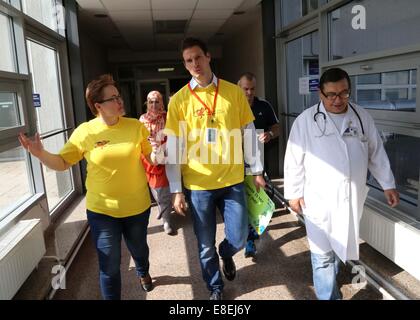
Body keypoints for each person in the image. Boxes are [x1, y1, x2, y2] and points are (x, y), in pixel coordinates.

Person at [19, 74, 158, 300]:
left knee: (139, 250)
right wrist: (40, 153)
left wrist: (160, 151)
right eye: (113, 98)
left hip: (137, 207)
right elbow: (63, 162)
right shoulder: (85, 132)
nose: (119, 100)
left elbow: (150, 157)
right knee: (109, 265)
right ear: (98, 106)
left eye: (118, 95)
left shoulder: (135, 127)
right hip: (102, 211)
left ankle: (143, 272)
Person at [284, 68, 400, 300]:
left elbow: (375, 152)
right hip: (317, 201)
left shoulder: (361, 117)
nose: (338, 100)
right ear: (321, 94)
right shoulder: (306, 121)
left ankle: (331, 279)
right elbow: (294, 158)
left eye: (344, 94)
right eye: (332, 95)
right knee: (322, 256)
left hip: (349, 199)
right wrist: (293, 193)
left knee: (338, 250)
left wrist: (387, 183)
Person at [164, 37, 266, 300]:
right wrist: (176, 190)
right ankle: (215, 288)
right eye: (188, 60)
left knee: (240, 236)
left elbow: (248, 132)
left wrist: (257, 170)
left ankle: (227, 252)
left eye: (198, 57)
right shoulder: (179, 101)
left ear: (208, 57)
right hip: (199, 186)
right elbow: (173, 148)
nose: (194, 64)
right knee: (204, 244)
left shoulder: (233, 92)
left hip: (232, 180)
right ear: (185, 65)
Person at [238, 72, 280, 258]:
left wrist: (269, 135)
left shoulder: (264, 106)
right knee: (241, 204)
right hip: (236, 167)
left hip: (258, 165)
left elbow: (277, 127)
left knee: (256, 203)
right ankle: (247, 237)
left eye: (252, 88)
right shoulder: (231, 108)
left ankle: (251, 240)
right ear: (238, 87)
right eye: (245, 88)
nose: (249, 92)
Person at [139, 90, 174, 235]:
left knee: (164, 189)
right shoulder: (141, 120)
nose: (153, 104)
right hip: (150, 160)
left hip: (167, 157)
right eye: (151, 101)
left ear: (162, 103)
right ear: (147, 103)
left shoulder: (168, 117)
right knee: (157, 190)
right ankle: (164, 209)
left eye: (157, 101)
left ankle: (166, 220)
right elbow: (141, 141)